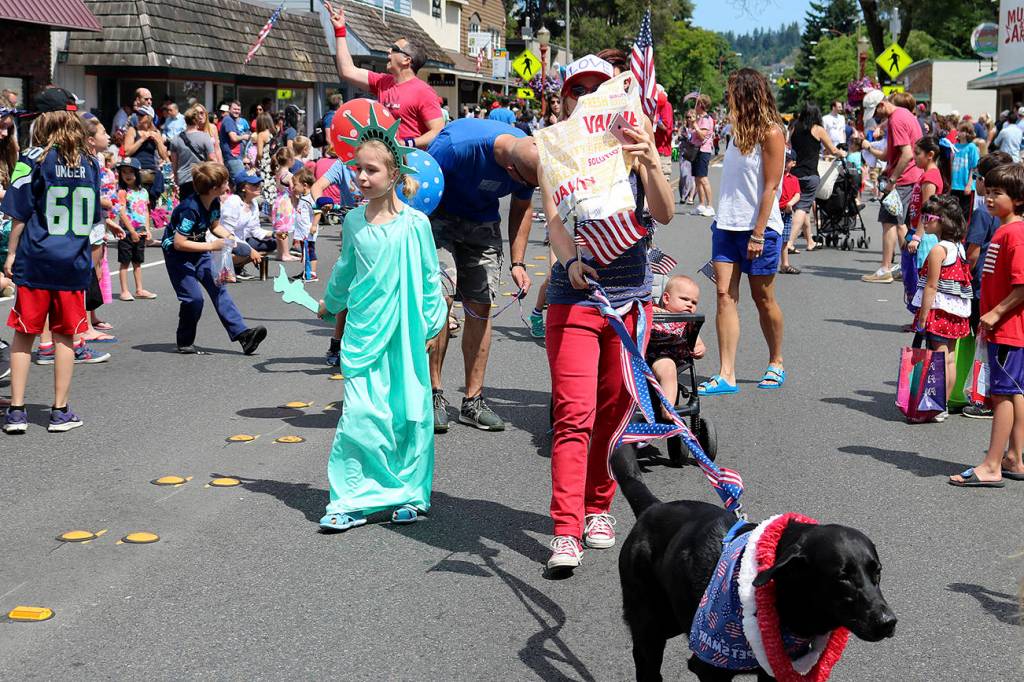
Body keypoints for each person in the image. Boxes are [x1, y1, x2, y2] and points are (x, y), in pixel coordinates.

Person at [538, 54, 673, 571]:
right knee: (574, 414)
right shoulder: (558, 150)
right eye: (580, 90)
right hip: (575, 298)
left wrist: (651, 160)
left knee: (614, 414)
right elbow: (553, 222)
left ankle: (599, 506)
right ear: (568, 99)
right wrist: (569, 260)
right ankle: (566, 528)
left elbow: (662, 213)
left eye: (600, 88)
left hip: (630, 301)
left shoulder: (636, 146)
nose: (589, 97)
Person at [315, 122, 447, 532]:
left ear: (394, 175)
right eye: (357, 168)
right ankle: (350, 497)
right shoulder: (353, 222)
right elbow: (345, 271)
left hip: (405, 334)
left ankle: (407, 493)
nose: (361, 177)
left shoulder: (415, 224)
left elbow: (429, 279)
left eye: (371, 170)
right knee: (359, 414)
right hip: (363, 333)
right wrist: (329, 304)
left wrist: (430, 325)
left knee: (405, 414)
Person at [426, 117, 540, 433]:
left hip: (481, 224)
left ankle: (472, 402)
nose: (526, 190)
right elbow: (417, 185)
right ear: (510, 171)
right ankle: (432, 395)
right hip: (437, 216)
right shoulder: (455, 147)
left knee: (481, 306)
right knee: (439, 299)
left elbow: (521, 209)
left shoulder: (529, 155)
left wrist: (518, 263)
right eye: (525, 184)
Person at [2, 88, 102, 434]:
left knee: (24, 334)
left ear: (42, 121)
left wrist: (11, 254)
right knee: (65, 337)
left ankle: (16, 411)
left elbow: (19, 213)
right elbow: (92, 217)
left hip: (36, 257)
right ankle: (59, 410)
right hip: (73, 259)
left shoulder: (32, 158)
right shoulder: (90, 162)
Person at [698, 68, 786, 396]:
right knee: (724, 295)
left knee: (762, 298)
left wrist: (759, 233)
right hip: (726, 226)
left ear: (746, 93)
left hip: (759, 228)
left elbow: (771, 186)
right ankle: (727, 373)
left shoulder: (771, 132)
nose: (727, 96)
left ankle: (776, 361)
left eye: (732, 91)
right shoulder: (734, 132)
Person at [949, 163, 1024, 486]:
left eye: (999, 193)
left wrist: (995, 314)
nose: (990, 198)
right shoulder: (1004, 229)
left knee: (1001, 395)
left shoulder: (1014, 233)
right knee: (1013, 392)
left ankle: (992, 465)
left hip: (1008, 329)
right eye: (988, 191)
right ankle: (1014, 458)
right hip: (1004, 328)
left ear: (1018, 199)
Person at [161, 162, 267, 355]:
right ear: (213, 188)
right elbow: (179, 242)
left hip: (199, 251)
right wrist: (212, 246)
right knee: (194, 299)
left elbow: (215, 227)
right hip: (178, 256)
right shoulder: (189, 209)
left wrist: (239, 244)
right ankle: (184, 341)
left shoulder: (215, 202)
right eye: (225, 182)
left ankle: (243, 336)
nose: (228, 184)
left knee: (218, 288)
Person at [324, 1, 444, 149]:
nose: (389, 51)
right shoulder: (383, 82)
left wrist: (406, 143)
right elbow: (347, 71)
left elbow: (438, 131)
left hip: (411, 165)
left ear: (407, 60)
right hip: (385, 162)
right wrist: (340, 31)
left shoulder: (423, 92)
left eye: (394, 49)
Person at [911, 194, 972, 422]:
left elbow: (932, 285)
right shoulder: (958, 248)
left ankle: (933, 405)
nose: (924, 221)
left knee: (938, 359)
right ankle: (942, 404)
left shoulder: (938, 250)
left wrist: (923, 316)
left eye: (928, 217)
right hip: (957, 312)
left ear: (943, 220)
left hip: (939, 310)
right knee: (949, 359)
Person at [963, 151, 1013, 419]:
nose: (977, 184)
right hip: (1000, 288)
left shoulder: (985, 211)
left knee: (985, 346)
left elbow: (972, 253)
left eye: (977, 177)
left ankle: (986, 399)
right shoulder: (1010, 217)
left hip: (983, 286)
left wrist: (962, 278)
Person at [860, 90, 923, 283]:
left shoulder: (896, 120)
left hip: (903, 179)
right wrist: (870, 147)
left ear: (881, 104)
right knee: (900, 222)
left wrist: (892, 179)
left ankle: (885, 268)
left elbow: (906, 154)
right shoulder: (905, 115)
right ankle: (909, 265)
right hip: (911, 176)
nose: (877, 117)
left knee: (889, 222)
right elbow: (890, 155)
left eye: (876, 112)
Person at [786, 103, 846, 256]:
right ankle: (789, 243)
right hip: (810, 174)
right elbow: (832, 150)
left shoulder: (794, 128)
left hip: (794, 173)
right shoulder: (818, 129)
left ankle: (810, 241)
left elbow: (788, 145)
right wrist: (842, 153)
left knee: (803, 208)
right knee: (802, 208)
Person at [647, 275, 706, 420]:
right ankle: (666, 407)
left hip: (673, 359)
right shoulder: (654, 311)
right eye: (684, 299)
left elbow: (697, 341)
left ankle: (667, 409)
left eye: (694, 302)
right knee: (667, 367)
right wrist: (651, 311)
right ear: (666, 299)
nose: (690, 305)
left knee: (669, 369)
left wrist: (700, 348)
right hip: (651, 356)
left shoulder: (687, 323)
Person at [902, 136, 946, 312]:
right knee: (914, 278)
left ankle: (922, 319)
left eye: (917, 153)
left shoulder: (930, 177)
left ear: (930, 155)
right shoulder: (925, 175)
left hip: (925, 236)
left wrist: (917, 237)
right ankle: (918, 319)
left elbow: (927, 211)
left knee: (922, 278)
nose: (914, 157)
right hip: (917, 231)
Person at [115, 158, 157, 301]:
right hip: (126, 232)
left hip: (141, 231)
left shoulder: (143, 191)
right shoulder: (122, 192)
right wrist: (131, 231)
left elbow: (145, 211)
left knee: (138, 262)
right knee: (125, 262)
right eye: (124, 172)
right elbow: (121, 212)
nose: (127, 175)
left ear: (137, 173)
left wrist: (147, 228)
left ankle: (139, 289)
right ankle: (124, 291)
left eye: (131, 172)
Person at [219, 171, 266, 280]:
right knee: (245, 250)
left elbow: (255, 230)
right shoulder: (233, 202)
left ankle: (237, 268)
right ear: (243, 188)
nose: (258, 187)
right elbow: (226, 232)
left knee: (271, 243)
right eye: (254, 185)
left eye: (259, 184)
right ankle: (224, 267)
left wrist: (274, 234)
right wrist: (251, 250)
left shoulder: (253, 203)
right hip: (226, 240)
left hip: (241, 239)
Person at [122, 105, 168, 205]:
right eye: (138, 114)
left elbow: (164, 156)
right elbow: (127, 152)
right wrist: (142, 139)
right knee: (137, 202)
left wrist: (157, 141)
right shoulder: (132, 130)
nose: (138, 116)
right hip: (136, 169)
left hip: (151, 171)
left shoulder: (156, 132)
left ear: (149, 117)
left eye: (142, 115)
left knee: (151, 202)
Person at [169, 104, 216, 200]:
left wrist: (176, 179)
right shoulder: (205, 137)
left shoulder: (176, 139)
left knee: (187, 207)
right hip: (201, 177)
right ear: (197, 120)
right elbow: (212, 158)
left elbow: (174, 163)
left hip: (184, 179)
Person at [690, 94, 716, 217]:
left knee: (703, 178)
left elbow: (702, 135)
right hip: (696, 150)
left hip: (703, 150)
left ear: (701, 105)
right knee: (697, 178)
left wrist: (695, 125)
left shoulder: (706, 119)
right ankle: (701, 204)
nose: (695, 105)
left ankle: (710, 205)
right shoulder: (700, 118)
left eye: (697, 103)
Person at [951, 121, 981, 221]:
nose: (959, 133)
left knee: (965, 215)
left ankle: (964, 235)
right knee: (953, 213)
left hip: (966, 186)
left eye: (962, 131)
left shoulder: (971, 147)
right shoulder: (954, 146)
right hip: (954, 185)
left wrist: (969, 184)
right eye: (958, 130)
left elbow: (974, 167)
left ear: (968, 133)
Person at [778, 150, 801, 274]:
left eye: (787, 160)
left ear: (793, 163)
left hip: (786, 212)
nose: (784, 163)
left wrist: (790, 203)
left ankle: (785, 264)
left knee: (785, 240)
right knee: (771, 237)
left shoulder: (794, 179)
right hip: (775, 211)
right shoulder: (776, 176)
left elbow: (797, 194)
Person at [218, 101, 250, 178]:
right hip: (233, 157)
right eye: (234, 109)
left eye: (238, 109)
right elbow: (234, 138)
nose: (237, 111)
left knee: (234, 184)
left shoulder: (231, 120)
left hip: (235, 158)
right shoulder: (228, 120)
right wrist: (244, 137)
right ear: (229, 109)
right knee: (241, 182)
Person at [654, 87, 675, 190]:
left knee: (664, 181)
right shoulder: (653, 106)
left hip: (662, 150)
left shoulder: (666, 106)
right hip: (653, 148)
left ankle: (667, 205)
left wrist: (655, 119)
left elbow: (665, 126)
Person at [678, 110, 697, 205]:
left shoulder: (697, 128)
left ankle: (690, 197)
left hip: (694, 154)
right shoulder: (683, 128)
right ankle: (683, 194)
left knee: (693, 177)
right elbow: (678, 137)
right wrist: (681, 137)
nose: (689, 119)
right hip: (684, 154)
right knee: (684, 175)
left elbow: (702, 138)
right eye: (687, 117)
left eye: (691, 117)